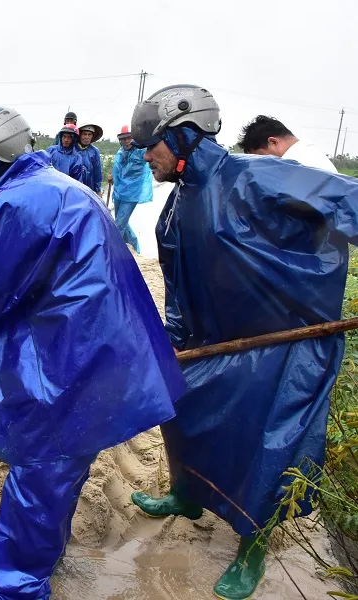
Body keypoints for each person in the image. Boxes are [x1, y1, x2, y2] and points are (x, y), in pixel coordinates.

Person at [0, 106, 185, 600]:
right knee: (62, 471)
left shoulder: (16, 204)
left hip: (72, 358)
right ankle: (44, 559)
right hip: (105, 350)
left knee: (39, 474)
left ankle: (17, 589)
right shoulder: (62, 187)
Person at [128, 84, 358, 600]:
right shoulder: (173, 210)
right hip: (219, 342)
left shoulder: (257, 176)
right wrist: (176, 344)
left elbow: (350, 201)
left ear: (184, 136)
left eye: (153, 145)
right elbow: (179, 291)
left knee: (268, 450)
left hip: (288, 343)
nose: (147, 157)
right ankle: (187, 495)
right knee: (180, 412)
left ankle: (252, 549)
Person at [239, 114, 338, 172]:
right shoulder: (312, 155)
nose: (262, 164)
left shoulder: (295, 166)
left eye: (262, 157)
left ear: (273, 142)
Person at [107, 125, 152, 252]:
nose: (127, 141)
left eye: (129, 138)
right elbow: (119, 169)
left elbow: (151, 159)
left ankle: (113, 251)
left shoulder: (141, 151)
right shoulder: (121, 152)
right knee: (122, 223)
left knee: (119, 224)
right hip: (119, 192)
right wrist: (112, 176)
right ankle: (135, 247)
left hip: (132, 193)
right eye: (124, 139)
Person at [77, 123, 104, 194]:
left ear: (92, 136)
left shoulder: (95, 151)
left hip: (89, 187)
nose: (86, 137)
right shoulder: (73, 148)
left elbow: (98, 171)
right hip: (74, 186)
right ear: (79, 135)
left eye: (89, 134)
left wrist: (98, 190)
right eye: (84, 134)